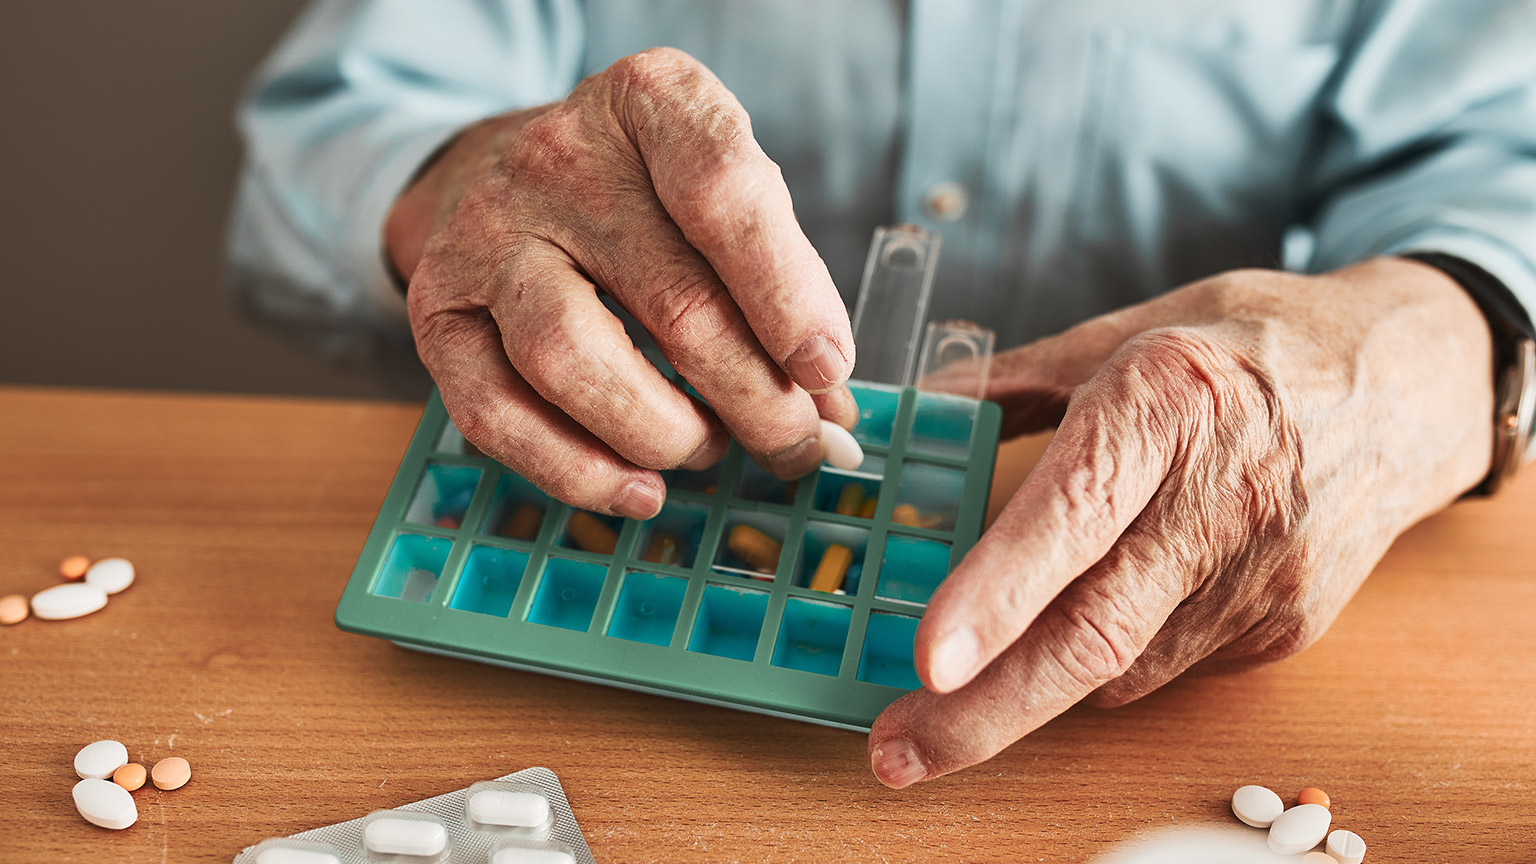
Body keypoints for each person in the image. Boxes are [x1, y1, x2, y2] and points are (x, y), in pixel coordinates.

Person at [229, 0, 1536, 788]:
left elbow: (1498, 163)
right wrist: (465, 180)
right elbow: (324, 130)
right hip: (602, 621)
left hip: (1156, 710)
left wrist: (1431, 338)